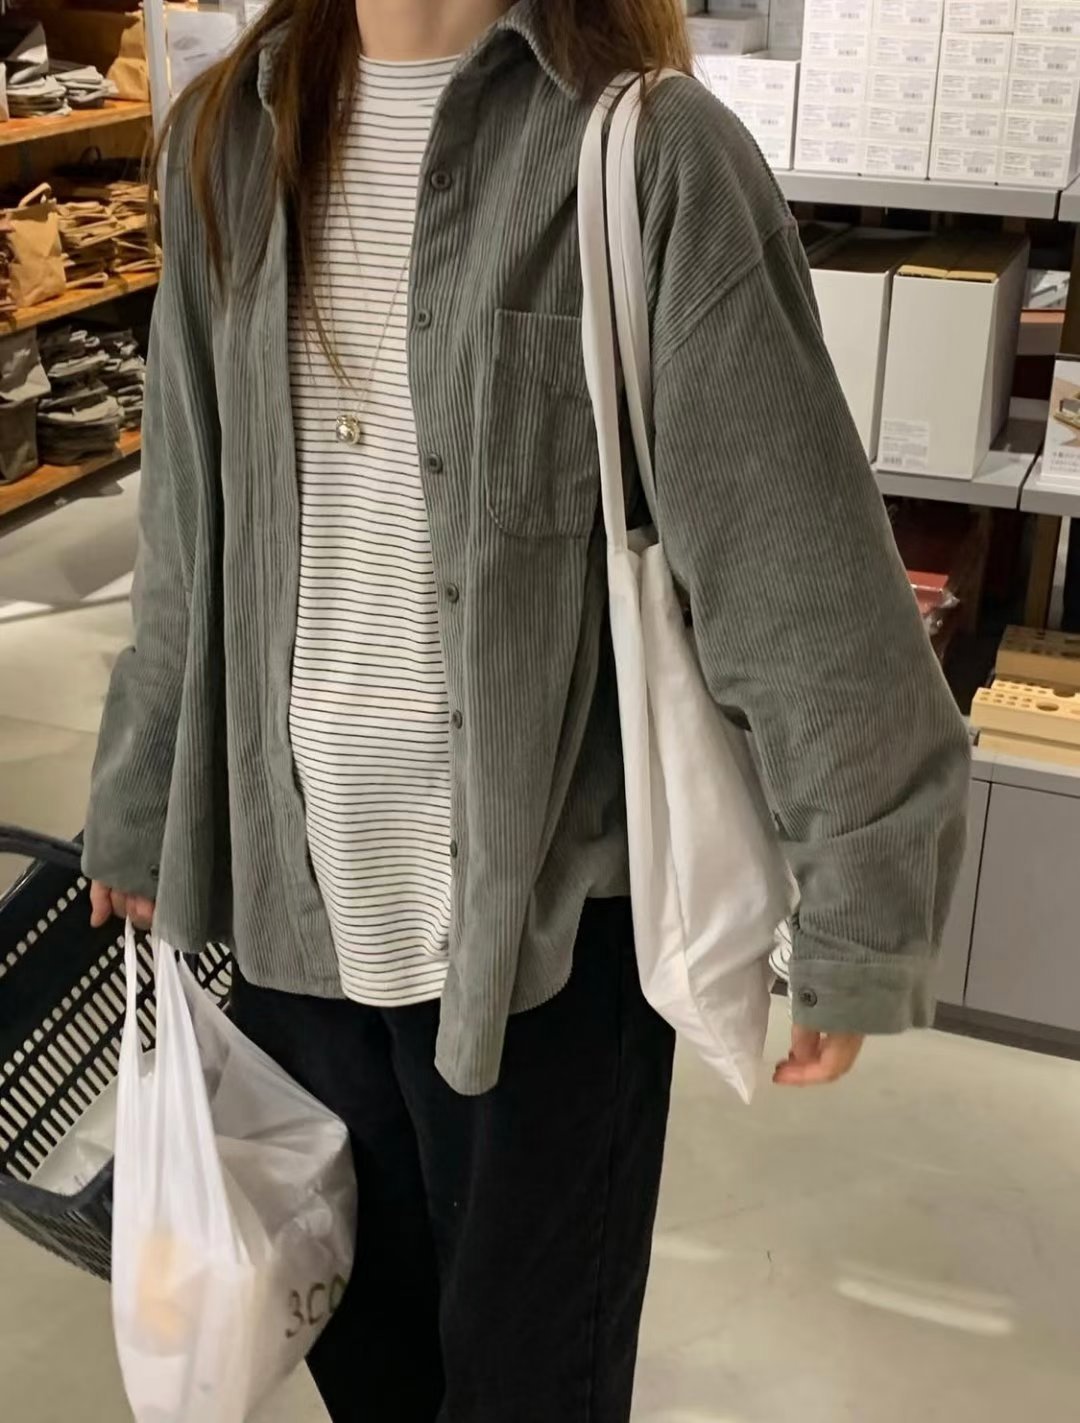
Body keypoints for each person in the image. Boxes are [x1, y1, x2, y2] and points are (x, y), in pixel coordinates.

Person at [82, 0, 970, 1418]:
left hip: (549, 947)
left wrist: (864, 901)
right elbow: (189, 531)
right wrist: (139, 799)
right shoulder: (228, 141)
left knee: (526, 1391)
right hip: (294, 918)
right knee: (368, 1370)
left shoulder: (648, 158)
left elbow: (791, 565)